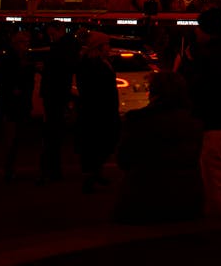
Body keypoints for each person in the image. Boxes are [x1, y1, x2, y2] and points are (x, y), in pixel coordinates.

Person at [177, 7, 221, 216]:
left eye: (199, 28)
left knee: (214, 186)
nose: (197, 32)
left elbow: (194, 87)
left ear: (206, 29)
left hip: (214, 126)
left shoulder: (204, 57)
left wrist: (187, 64)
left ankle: (220, 232)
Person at [112, 70, 204, 224]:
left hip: (144, 198)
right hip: (187, 198)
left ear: (153, 92)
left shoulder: (139, 121)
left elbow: (124, 159)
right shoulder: (194, 123)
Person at [0, 29, 38, 182]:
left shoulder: (26, 59)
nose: (25, 45)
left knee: (17, 139)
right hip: (11, 103)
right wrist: (11, 87)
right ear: (15, 44)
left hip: (21, 102)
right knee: (11, 139)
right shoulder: (7, 58)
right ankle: (8, 170)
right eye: (22, 42)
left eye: (27, 42)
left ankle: (12, 168)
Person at [75, 31, 121, 194]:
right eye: (106, 45)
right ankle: (91, 175)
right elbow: (92, 89)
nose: (109, 48)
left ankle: (95, 172)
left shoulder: (100, 62)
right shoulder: (91, 64)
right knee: (98, 142)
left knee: (102, 142)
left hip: (102, 109)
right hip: (98, 110)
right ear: (99, 47)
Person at [39, 21, 78, 183]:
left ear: (60, 30)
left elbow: (59, 69)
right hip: (58, 92)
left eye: (52, 33)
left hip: (55, 93)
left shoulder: (62, 48)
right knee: (54, 134)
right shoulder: (67, 47)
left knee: (52, 134)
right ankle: (53, 170)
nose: (51, 37)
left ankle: (51, 171)